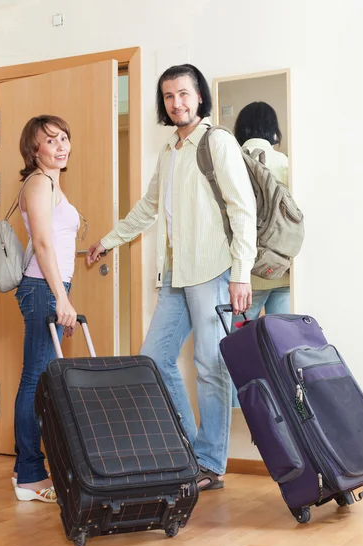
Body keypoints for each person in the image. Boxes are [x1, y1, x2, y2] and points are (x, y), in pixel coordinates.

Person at [87, 64, 257, 491]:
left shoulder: (217, 142)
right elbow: (148, 208)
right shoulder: (170, 152)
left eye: (184, 94)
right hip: (176, 275)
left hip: (213, 270)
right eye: (168, 97)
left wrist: (240, 274)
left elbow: (242, 209)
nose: (176, 103)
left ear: (199, 96)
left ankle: (211, 464)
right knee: (154, 359)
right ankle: (188, 450)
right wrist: (109, 240)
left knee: (209, 365)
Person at [13, 115, 81, 502]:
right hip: (42, 289)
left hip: (50, 288)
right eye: (50, 140)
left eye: (64, 138)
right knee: (36, 379)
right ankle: (30, 475)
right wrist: (61, 298)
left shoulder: (53, 183)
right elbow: (42, 244)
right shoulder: (38, 183)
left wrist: (64, 295)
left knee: (40, 378)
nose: (60, 145)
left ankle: (27, 470)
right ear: (33, 149)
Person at [231, 101, 290, 407]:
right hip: (283, 269)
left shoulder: (234, 160)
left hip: (250, 272)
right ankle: (286, 409)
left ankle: (242, 408)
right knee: (285, 346)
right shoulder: (285, 161)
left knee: (239, 347)